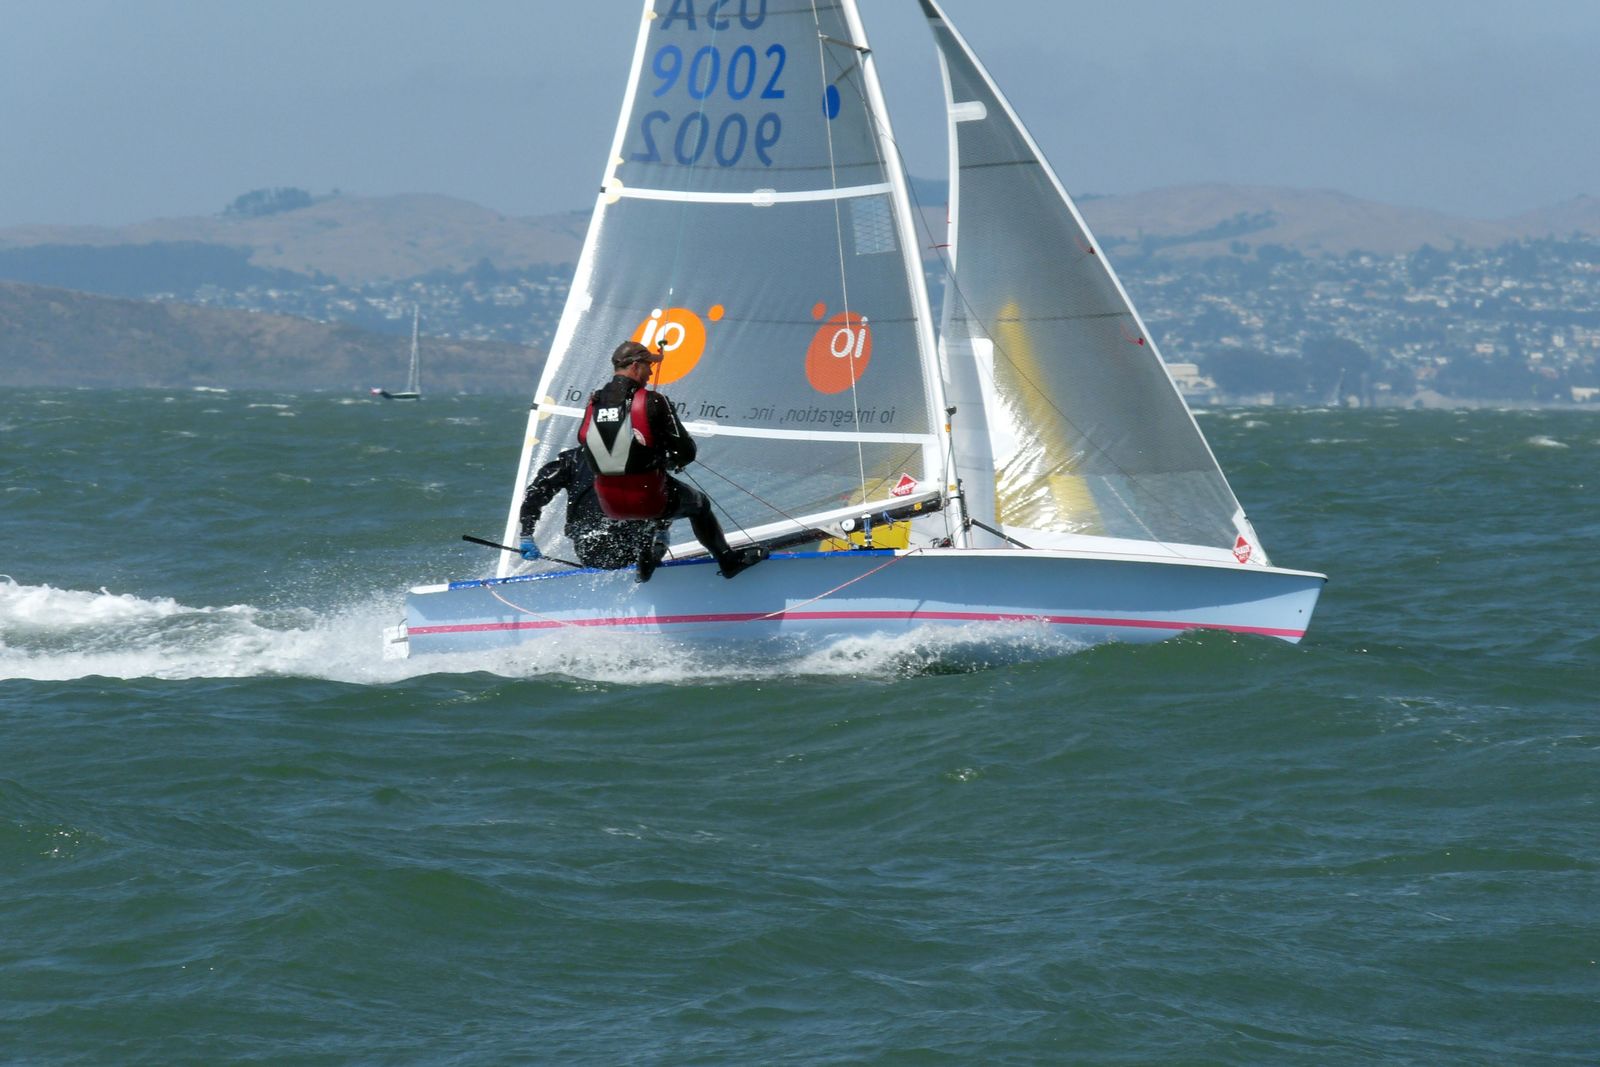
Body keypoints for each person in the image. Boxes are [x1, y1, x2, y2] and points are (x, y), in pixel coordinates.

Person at [578, 339, 766, 582]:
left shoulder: (593, 402)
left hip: (609, 504)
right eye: (648, 366)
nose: (651, 372)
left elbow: (586, 441)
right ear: (635, 366)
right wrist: (668, 460)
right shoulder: (653, 400)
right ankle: (728, 560)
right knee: (698, 504)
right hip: (649, 499)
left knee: (652, 502)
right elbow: (686, 452)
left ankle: (644, 566)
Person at [516, 446, 659, 570]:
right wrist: (662, 532)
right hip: (628, 539)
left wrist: (526, 534)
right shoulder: (639, 455)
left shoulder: (571, 459)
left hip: (590, 543)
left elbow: (535, 495)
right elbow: (664, 494)